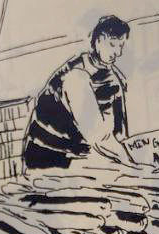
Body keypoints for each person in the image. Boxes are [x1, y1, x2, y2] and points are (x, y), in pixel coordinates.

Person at [22, 15, 132, 170]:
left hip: (81, 153)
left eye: (121, 46)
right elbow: (97, 135)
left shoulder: (114, 79)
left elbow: (119, 132)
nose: (118, 52)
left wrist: (128, 153)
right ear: (97, 41)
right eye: (112, 44)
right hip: (48, 157)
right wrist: (130, 162)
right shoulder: (75, 75)